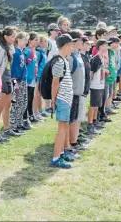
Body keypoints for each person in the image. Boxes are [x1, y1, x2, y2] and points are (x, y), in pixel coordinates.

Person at [50, 34, 77, 169]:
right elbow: (55, 83)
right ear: (65, 45)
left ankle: (61, 152)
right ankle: (56, 158)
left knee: (65, 126)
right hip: (62, 99)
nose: (72, 48)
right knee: (61, 129)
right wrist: (53, 100)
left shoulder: (64, 60)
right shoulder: (59, 61)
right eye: (71, 45)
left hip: (66, 98)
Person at [0, 27, 20, 138]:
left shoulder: (8, 47)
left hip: (8, 78)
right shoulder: (0, 49)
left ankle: (6, 128)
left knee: (7, 106)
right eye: (12, 36)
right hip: (1, 80)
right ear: (5, 37)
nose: (14, 39)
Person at [67, 30, 87, 153]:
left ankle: (74, 140)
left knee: (77, 118)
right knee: (72, 119)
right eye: (80, 40)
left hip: (79, 92)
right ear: (73, 42)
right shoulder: (70, 57)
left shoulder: (78, 55)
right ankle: (70, 143)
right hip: (72, 93)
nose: (82, 42)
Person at [87, 39, 109, 135]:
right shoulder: (96, 58)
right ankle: (90, 123)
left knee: (97, 105)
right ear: (100, 47)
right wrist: (89, 84)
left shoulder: (102, 57)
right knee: (93, 105)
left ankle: (95, 121)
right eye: (105, 45)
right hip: (95, 85)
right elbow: (91, 72)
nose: (106, 47)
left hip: (100, 84)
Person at [9, 32, 29, 134]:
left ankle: (19, 123)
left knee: (23, 102)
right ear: (19, 40)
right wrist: (15, 81)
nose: (26, 41)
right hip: (18, 80)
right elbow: (14, 68)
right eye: (25, 39)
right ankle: (13, 125)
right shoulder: (15, 52)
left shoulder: (21, 52)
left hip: (23, 80)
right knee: (17, 103)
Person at [24, 32, 40, 124]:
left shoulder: (34, 52)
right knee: (28, 98)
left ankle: (30, 115)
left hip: (32, 78)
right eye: (35, 40)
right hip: (27, 78)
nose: (37, 42)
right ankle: (26, 117)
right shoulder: (27, 51)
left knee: (31, 98)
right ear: (29, 40)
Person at [33, 35, 48, 119]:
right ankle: (36, 112)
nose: (46, 43)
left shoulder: (43, 52)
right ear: (40, 43)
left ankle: (40, 110)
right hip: (38, 76)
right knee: (37, 95)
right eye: (45, 41)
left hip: (42, 76)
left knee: (39, 94)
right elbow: (36, 65)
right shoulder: (38, 53)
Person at [105, 37, 120, 115]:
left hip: (113, 75)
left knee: (110, 92)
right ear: (111, 43)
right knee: (107, 93)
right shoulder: (108, 52)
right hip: (108, 76)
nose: (117, 45)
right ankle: (106, 108)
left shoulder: (113, 52)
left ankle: (108, 106)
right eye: (116, 43)